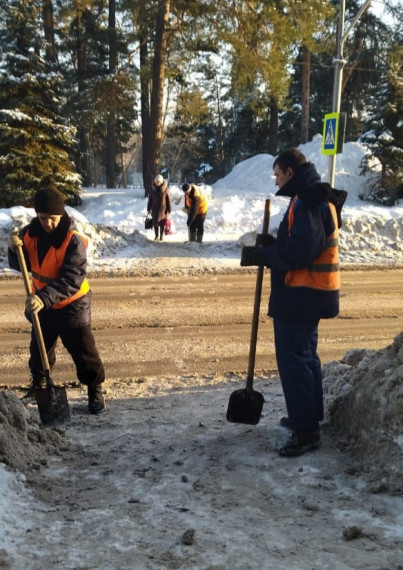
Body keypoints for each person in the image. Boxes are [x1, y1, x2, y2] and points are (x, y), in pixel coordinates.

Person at [241, 148, 347, 457]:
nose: (275, 180)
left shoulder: (309, 200)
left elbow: (300, 252)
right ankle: (308, 417)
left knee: (295, 359)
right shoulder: (310, 196)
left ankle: (306, 431)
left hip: (303, 293)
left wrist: (265, 255)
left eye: (277, 174)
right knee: (305, 356)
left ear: (289, 172)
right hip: (310, 294)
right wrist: (274, 245)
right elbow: (300, 244)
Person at [8, 182, 106, 414]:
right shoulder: (30, 235)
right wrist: (13, 250)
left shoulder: (72, 240)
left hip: (72, 303)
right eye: (43, 217)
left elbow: (72, 279)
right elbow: (21, 266)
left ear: (61, 215)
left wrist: (43, 297)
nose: (48, 223)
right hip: (43, 303)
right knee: (40, 347)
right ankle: (41, 383)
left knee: (84, 352)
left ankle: (95, 389)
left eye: (52, 217)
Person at [147, 174, 172, 241]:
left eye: (159, 182)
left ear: (161, 182)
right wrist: (148, 209)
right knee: (155, 223)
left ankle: (161, 236)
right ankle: (156, 236)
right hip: (155, 209)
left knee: (162, 223)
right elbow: (150, 200)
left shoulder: (165, 189)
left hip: (163, 209)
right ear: (155, 181)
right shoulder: (152, 189)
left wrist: (169, 209)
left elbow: (168, 200)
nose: (157, 183)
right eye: (156, 182)